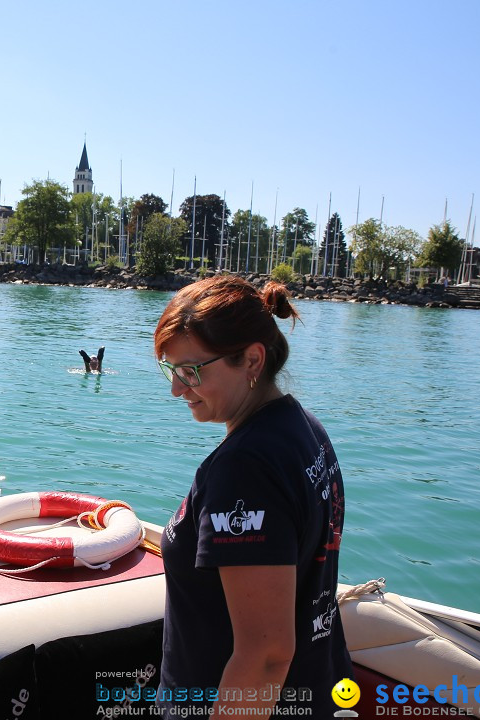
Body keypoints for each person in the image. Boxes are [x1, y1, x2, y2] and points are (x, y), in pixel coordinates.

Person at [152, 276, 351, 718]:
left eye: (191, 372)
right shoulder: (303, 429)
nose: (176, 389)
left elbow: (266, 657)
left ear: (252, 359)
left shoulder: (244, 469)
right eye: (171, 370)